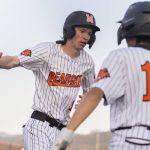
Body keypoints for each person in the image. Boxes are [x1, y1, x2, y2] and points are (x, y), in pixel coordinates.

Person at [53, 1, 150, 150]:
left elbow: (95, 94)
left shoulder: (121, 56)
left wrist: (66, 133)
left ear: (131, 27)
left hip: (129, 141)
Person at [0, 11, 100, 150]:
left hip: (62, 131)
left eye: (89, 33)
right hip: (40, 126)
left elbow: (90, 94)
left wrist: (84, 101)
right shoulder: (48, 50)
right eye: (82, 31)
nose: (86, 37)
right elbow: (12, 61)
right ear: (70, 30)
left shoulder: (88, 62)